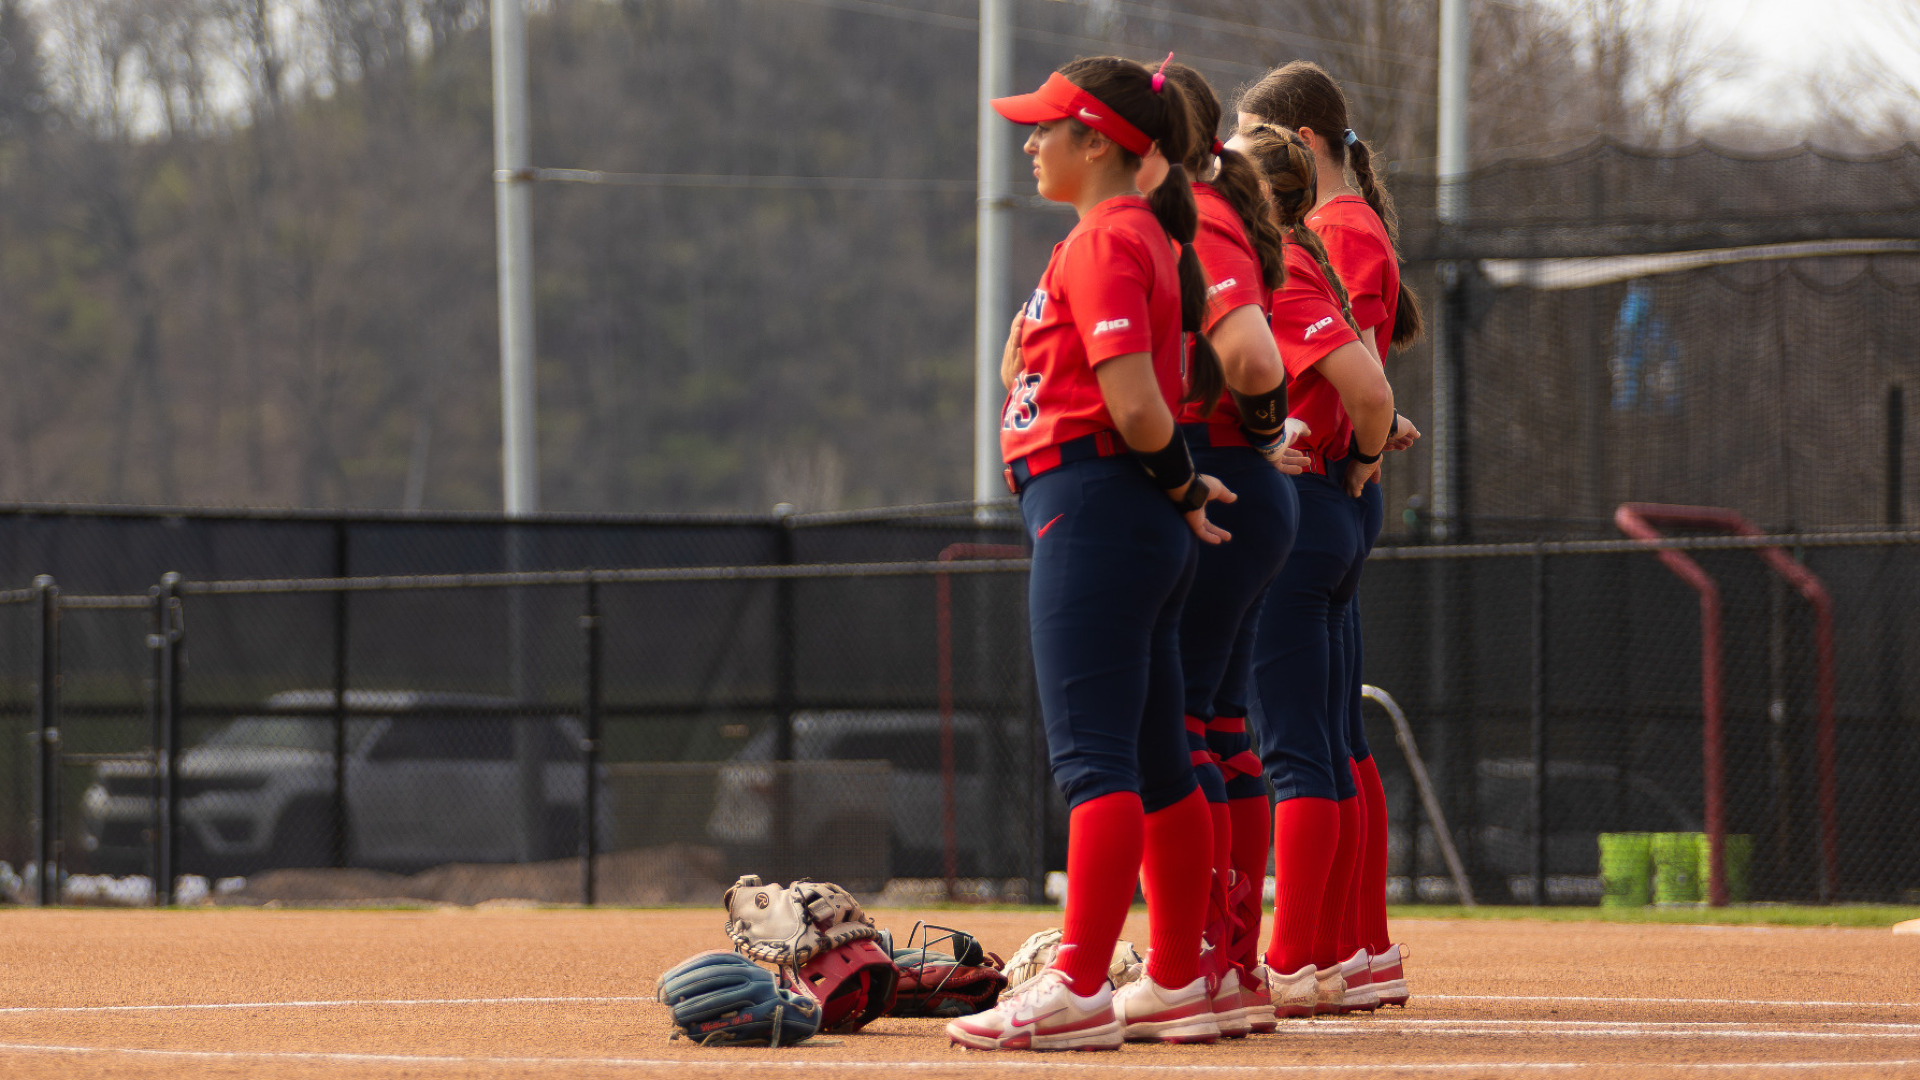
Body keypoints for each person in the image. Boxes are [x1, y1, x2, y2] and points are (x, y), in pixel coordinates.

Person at [945, 54, 1234, 1052]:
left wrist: (1184, 484)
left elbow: (1136, 405)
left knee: (1093, 760)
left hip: (1095, 507)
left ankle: (1075, 986)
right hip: (1120, 512)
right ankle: (1177, 976)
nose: (1031, 143)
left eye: (1048, 127)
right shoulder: (1126, 235)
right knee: (1158, 766)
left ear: (1100, 143)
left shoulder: (1111, 237)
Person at [1238, 60, 1422, 1011]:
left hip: (1314, 498)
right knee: (1331, 737)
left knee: (1299, 744)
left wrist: (1358, 449)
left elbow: (1353, 379)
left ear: (1298, 148)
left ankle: (1309, 954)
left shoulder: (1326, 236)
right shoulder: (1340, 230)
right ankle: (1353, 951)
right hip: (1331, 499)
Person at [1145, 60, 1305, 1039]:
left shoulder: (1195, 212)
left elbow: (1249, 356)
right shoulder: (1208, 207)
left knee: (1185, 729)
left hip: (1213, 477)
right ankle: (1230, 961)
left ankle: (1202, 962)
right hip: (1236, 476)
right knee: (1221, 726)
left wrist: (1257, 423)